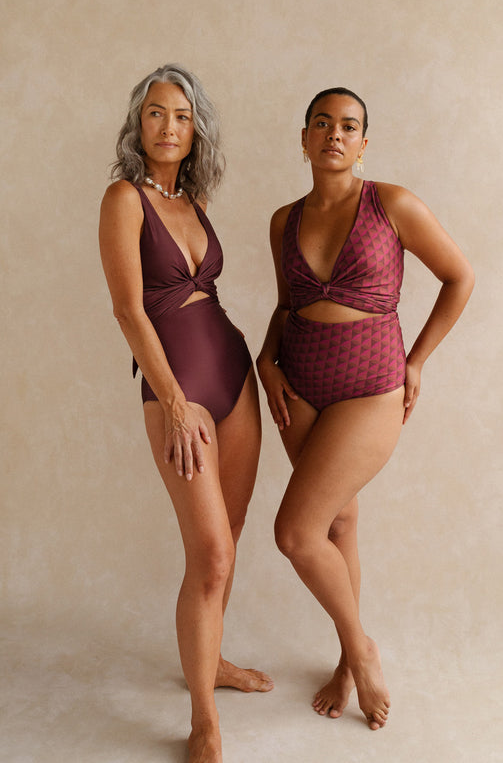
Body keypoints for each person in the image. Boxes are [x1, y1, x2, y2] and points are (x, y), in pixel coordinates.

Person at [257, 87, 474, 731]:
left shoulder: (392, 204)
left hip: (371, 386)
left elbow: (459, 276)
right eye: (322, 123)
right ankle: (346, 662)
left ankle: (360, 649)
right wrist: (266, 359)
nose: (335, 134)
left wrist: (417, 360)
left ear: (363, 143)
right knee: (337, 524)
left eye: (348, 126)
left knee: (294, 533)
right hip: (300, 384)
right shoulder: (282, 221)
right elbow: (286, 304)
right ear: (303, 139)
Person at [99, 63, 272, 763]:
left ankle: (212, 659)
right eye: (155, 113)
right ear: (137, 125)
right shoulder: (124, 198)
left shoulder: (192, 200)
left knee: (230, 535)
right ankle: (203, 718)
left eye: (181, 115)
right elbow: (127, 309)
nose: (168, 126)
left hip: (233, 373)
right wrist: (172, 401)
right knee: (211, 555)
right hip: (180, 390)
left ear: (196, 128)